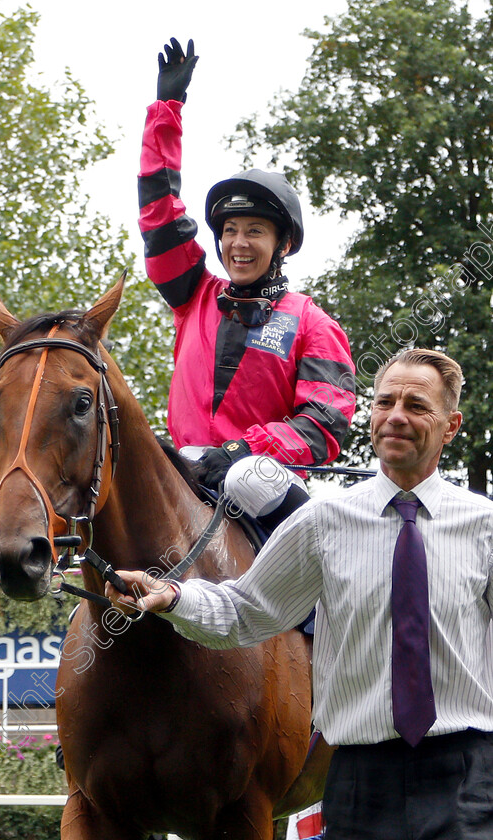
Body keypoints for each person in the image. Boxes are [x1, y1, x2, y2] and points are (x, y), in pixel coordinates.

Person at [106, 348, 493, 839]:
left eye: (416, 406)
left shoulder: (485, 527)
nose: (395, 417)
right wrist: (173, 597)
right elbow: (246, 610)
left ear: (451, 425)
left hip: (466, 777)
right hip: (356, 781)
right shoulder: (321, 522)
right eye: (384, 402)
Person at [138, 38, 356, 528]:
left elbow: (324, 424)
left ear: (283, 245)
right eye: (230, 231)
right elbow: (159, 213)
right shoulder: (194, 294)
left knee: (246, 477)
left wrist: (242, 449)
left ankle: (311, 602)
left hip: (268, 479)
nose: (238, 243)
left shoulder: (313, 324)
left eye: (255, 231)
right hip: (189, 472)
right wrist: (165, 111)